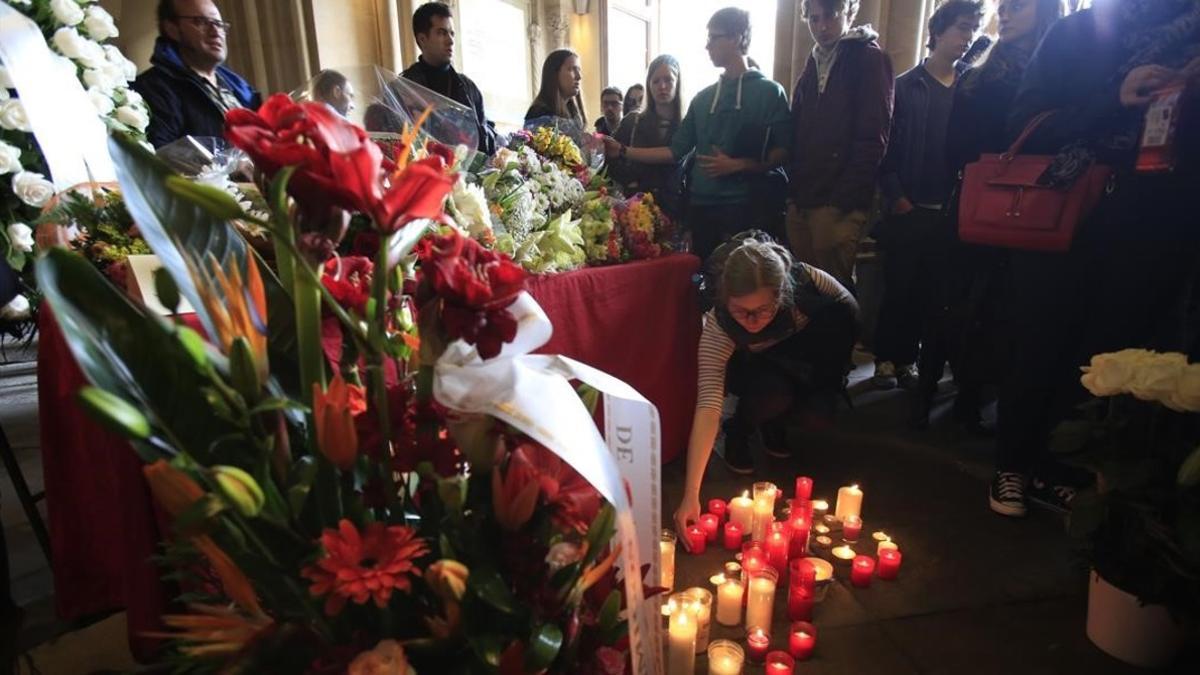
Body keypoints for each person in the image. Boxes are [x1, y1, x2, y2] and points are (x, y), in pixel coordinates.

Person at [988, 0, 1200, 517]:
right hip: (1061, 219)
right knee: (1040, 342)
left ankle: (1060, 466)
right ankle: (1013, 463)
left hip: (1154, 227)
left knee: (1104, 357)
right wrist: (1116, 97)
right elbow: (1025, 125)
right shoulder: (1078, 33)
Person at [937, 0, 1070, 434]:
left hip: (1034, 201)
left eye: (1017, 6)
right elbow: (955, 143)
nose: (1005, 14)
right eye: (1003, 6)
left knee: (1014, 306)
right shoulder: (981, 66)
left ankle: (1007, 399)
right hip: (981, 199)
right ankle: (968, 390)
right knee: (968, 301)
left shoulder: (1060, 65)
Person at [673, 234, 858, 537]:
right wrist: (691, 494)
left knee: (818, 416)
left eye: (764, 309)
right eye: (741, 311)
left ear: (782, 295)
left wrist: (836, 357)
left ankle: (777, 424)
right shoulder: (718, 328)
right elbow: (707, 407)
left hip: (809, 358)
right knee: (771, 396)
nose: (752, 320)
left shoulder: (806, 282)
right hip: (761, 372)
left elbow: (848, 308)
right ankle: (743, 428)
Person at [603, 8, 792, 260]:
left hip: (747, 207)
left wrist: (740, 165)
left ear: (735, 38)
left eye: (714, 37)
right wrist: (624, 150)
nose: (707, 45)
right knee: (705, 284)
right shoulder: (703, 99)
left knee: (744, 283)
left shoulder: (770, 92)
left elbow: (785, 151)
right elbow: (674, 151)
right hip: (702, 208)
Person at [871, 1, 984, 398]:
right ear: (937, 32)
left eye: (972, 30)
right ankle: (886, 356)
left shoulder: (974, 85)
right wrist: (897, 197)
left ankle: (911, 359)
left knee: (933, 292)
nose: (967, 38)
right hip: (910, 205)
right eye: (961, 28)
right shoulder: (905, 86)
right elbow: (885, 150)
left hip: (954, 208)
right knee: (899, 286)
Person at [786, 0, 894, 290]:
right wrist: (794, 195)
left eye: (831, 15)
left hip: (837, 202)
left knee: (835, 295)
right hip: (805, 197)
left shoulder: (869, 58)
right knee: (806, 292)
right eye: (814, 17)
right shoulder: (813, 61)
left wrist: (842, 202)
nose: (822, 26)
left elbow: (873, 138)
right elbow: (798, 133)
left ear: (849, 12)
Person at [134, 0, 262, 148]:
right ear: (172, 29)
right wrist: (231, 164)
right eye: (201, 22)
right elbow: (159, 155)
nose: (215, 32)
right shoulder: (154, 88)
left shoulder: (239, 87)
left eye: (219, 24)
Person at [401, 1, 496, 155]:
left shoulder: (468, 87)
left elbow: (485, 137)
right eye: (441, 33)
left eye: (451, 33)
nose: (450, 41)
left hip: (468, 175)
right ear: (422, 39)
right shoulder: (403, 88)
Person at [608, 55, 684, 217]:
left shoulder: (687, 124)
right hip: (635, 210)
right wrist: (630, 182)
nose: (662, 86)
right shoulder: (633, 121)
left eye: (668, 80)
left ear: (677, 82)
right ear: (648, 85)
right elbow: (611, 156)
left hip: (674, 211)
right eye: (655, 81)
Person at [526, 49, 587, 127]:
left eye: (578, 70)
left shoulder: (574, 113)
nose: (579, 76)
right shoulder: (538, 113)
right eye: (571, 69)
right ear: (554, 74)